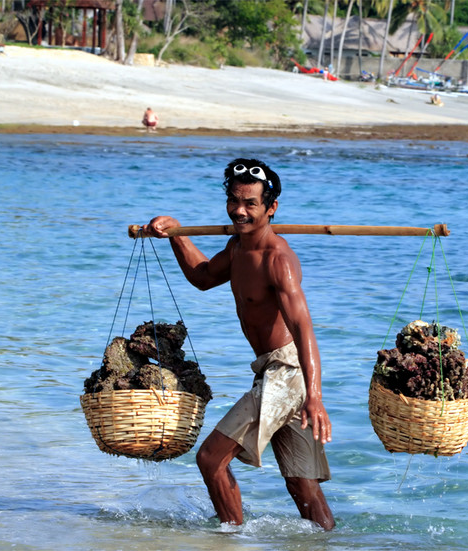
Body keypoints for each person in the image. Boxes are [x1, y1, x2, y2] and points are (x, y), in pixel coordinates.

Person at [141, 159, 335, 531]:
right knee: (300, 483)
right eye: (234, 201)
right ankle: (329, 542)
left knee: (211, 459)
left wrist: (314, 395)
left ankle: (227, 539)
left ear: (271, 207)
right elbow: (201, 278)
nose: (239, 211)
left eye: (250, 203)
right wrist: (178, 234)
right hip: (271, 369)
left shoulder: (279, 260)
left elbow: (303, 329)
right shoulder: (236, 248)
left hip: (287, 373)